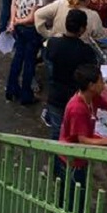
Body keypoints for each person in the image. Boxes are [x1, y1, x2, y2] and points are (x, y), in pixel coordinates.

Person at [59, 64, 107, 186]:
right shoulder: (77, 109)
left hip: (81, 156)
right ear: (91, 86)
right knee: (75, 194)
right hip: (72, 159)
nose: (104, 84)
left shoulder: (92, 97)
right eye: (101, 81)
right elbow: (83, 140)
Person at [44, 9, 99, 140]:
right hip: (75, 98)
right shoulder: (86, 52)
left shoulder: (53, 43)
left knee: (57, 133)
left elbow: (49, 64)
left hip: (55, 96)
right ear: (82, 29)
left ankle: (56, 159)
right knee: (74, 135)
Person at [6, 0, 54, 105]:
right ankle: (26, 95)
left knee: (17, 58)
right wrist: (19, 21)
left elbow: (14, 2)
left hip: (19, 28)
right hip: (31, 30)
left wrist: (13, 20)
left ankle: (11, 88)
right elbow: (32, 18)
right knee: (29, 63)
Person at [35, 0, 107, 42]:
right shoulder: (93, 16)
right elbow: (101, 37)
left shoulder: (60, 3)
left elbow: (38, 14)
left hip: (55, 48)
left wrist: (48, 35)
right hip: (77, 54)